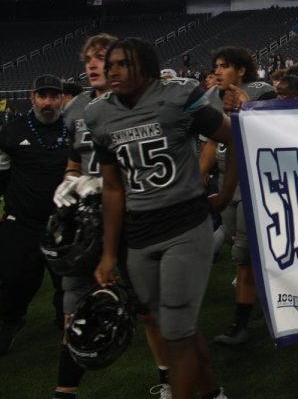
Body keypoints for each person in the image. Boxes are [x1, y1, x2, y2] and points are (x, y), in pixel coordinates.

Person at [87, 38, 236, 399]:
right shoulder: (99, 114)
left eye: (123, 63)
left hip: (185, 223)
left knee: (176, 330)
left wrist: (227, 192)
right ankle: (212, 393)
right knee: (173, 327)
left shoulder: (177, 96)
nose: (113, 71)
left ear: (148, 67)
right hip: (140, 230)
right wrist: (109, 253)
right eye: (111, 64)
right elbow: (112, 188)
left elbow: (233, 136)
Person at [51, 34, 172, 398]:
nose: (92, 64)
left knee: (149, 308)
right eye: (88, 57)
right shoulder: (76, 109)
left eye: (101, 57)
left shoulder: (143, 105)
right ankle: (64, 391)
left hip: (136, 217)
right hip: (89, 225)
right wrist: (72, 181)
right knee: (76, 309)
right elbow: (74, 161)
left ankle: (170, 381)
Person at [199, 46, 276, 347]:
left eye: (225, 66)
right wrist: (199, 176)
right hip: (225, 180)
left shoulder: (261, 92)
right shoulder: (209, 99)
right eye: (215, 65)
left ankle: (240, 324)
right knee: (238, 248)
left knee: (244, 255)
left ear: (241, 70)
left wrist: (248, 109)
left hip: (256, 180)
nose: (217, 71)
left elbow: (275, 131)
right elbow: (208, 144)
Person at [0, 75, 69, 355]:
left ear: (62, 99)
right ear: (33, 98)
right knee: (13, 278)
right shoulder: (12, 132)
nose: (48, 102)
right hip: (23, 222)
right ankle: (9, 322)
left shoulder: (75, 130)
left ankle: (66, 323)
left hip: (64, 223)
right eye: (43, 96)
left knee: (67, 281)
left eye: (54, 96)